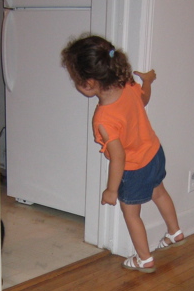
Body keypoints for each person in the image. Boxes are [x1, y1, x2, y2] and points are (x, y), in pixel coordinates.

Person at [61, 34, 184, 273]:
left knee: (131, 214)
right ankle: (175, 232)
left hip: (135, 168)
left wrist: (111, 190)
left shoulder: (104, 118)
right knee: (159, 192)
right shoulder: (127, 85)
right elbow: (144, 98)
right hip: (154, 153)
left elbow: (118, 157)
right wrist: (147, 81)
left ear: (89, 83)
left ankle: (144, 258)